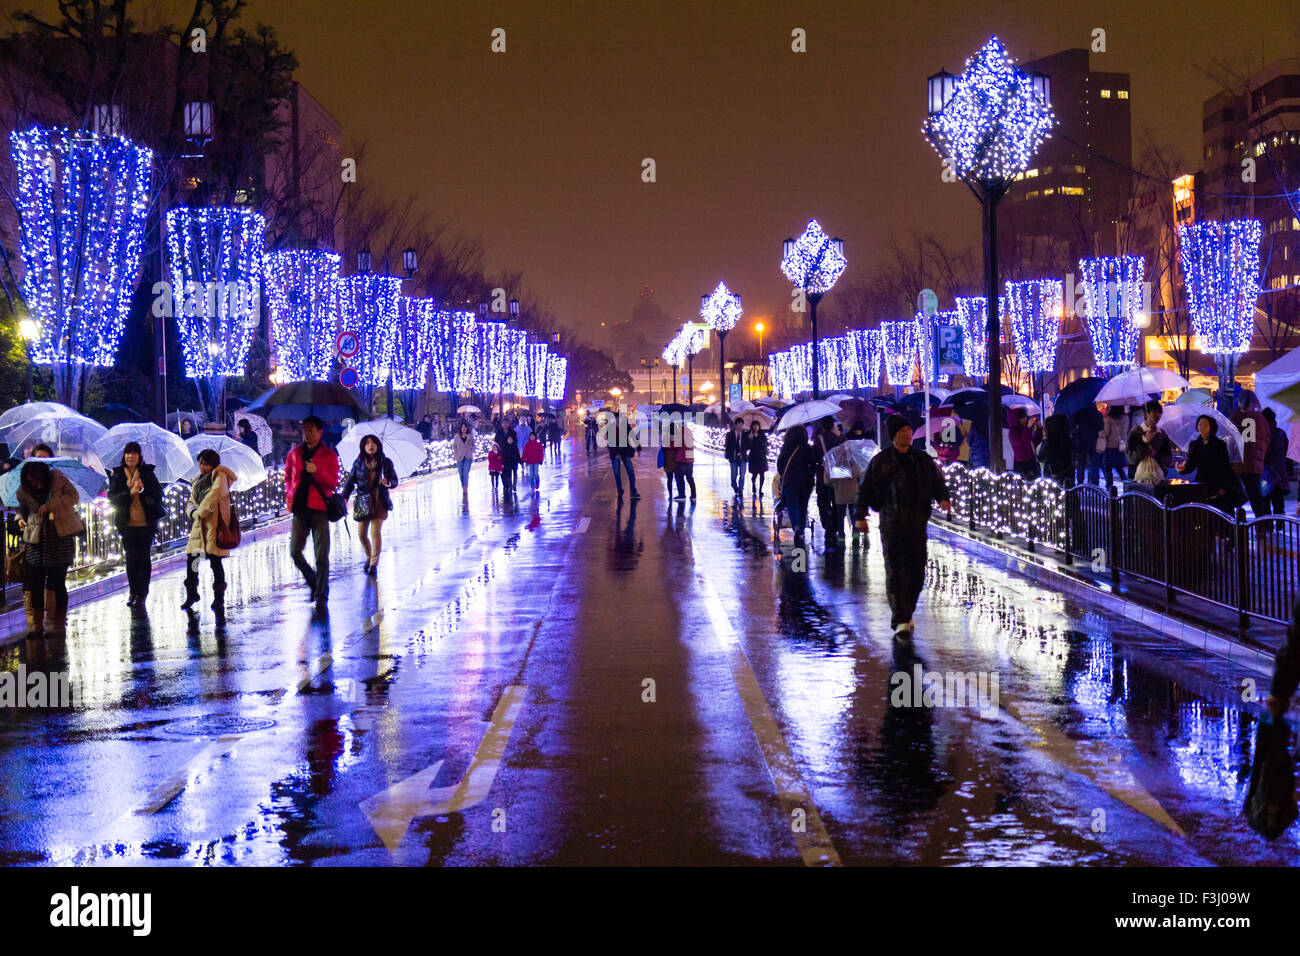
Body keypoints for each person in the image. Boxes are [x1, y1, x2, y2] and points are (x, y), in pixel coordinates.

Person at [855, 416, 952, 637]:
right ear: (893, 436)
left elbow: (937, 482)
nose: (907, 434)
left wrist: (943, 498)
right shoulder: (881, 461)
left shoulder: (922, 460)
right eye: (902, 431)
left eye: (909, 430)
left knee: (917, 574)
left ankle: (906, 613)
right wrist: (859, 516)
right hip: (891, 526)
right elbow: (865, 488)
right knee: (896, 572)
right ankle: (900, 619)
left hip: (917, 526)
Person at [16, 460, 83, 642]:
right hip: (35, 540)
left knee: (55, 583)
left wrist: (51, 504)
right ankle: (34, 625)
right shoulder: (25, 490)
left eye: (36, 481)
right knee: (33, 584)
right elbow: (21, 507)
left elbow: (73, 497)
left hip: (59, 539)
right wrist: (20, 517)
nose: (34, 484)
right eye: (30, 481)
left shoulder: (58, 480)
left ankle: (55, 623)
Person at [284, 415, 339, 608]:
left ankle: (322, 595)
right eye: (304, 429)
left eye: (310, 429)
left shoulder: (329, 455)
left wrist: (316, 470)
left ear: (319, 431)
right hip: (299, 509)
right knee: (295, 552)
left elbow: (333, 483)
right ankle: (314, 582)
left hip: (319, 510)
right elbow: (287, 478)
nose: (306, 433)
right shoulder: (294, 454)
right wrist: (289, 496)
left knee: (321, 555)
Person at [108, 441, 165, 608]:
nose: (130, 456)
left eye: (134, 453)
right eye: (127, 453)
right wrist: (130, 493)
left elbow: (158, 495)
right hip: (127, 524)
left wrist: (143, 490)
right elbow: (113, 498)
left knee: (143, 559)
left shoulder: (147, 473)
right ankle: (133, 591)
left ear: (139, 456)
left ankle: (142, 593)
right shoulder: (117, 474)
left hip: (146, 523)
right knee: (131, 560)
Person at [182, 449, 236, 622]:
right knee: (192, 560)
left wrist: (200, 511)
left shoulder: (220, 477)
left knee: (215, 562)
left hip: (214, 526)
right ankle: (192, 594)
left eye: (206, 463)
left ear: (213, 464)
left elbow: (214, 496)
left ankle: (218, 599)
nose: (202, 467)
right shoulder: (197, 480)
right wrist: (193, 513)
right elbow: (191, 501)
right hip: (199, 526)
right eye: (200, 463)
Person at [342, 435, 398, 576]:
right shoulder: (358, 463)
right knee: (361, 534)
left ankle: (374, 564)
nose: (370, 445)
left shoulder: (385, 463)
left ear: (378, 445)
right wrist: (344, 496)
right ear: (363, 447)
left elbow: (394, 480)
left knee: (375, 532)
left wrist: (388, 482)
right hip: (364, 501)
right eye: (367, 443)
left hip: (380, 501)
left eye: (373, 443)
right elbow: (350, 482)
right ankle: (368, 556)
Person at [1177, 414, 1235, 513]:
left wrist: (1224, 486)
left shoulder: (1220, 444)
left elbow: (1225, 467)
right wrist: (1182, 469)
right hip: (1201, 482)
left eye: (1205, 425)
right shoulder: (1194, 444)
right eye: (1200, 424)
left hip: (1217, 482)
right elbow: (1191, 464)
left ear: (1211, 427)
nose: (1202, 427)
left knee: (1218, 512)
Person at [1231, 390, 1272, 517]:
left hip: (1239, 462)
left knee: (1235, 492)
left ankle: (1234, 521)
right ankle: (1262, 523)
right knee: (1255, 494)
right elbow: (1267, 438)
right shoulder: (1260, 418)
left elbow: (1230, 437)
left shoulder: (1236, 417)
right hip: (1255, 464)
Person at [775, 425, 816, 548]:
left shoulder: (785, 448)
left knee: (792, 506)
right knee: (803, 506)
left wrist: (784, 475)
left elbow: (780, 465)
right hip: (805, 483)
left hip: (790, 482)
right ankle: (802, 531)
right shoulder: (808, 449)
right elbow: (813, 464)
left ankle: (796, 528)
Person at [812, 417, 845, 548]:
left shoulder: (818, 439)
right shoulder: (839, 438)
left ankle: (827, 525)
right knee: (837, 501)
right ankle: (836, 526)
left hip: (822, 474)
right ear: (832, 426)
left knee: (823, 501)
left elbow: (813, 458)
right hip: (837, 474)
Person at [1126, 400, 1173, 485]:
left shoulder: (1162, 434)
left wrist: (1159, 459)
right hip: (1138, 479)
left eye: (1159, 412)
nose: (1157, 415)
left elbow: (1167, 455)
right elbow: (1131, 458)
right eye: (1154, 412)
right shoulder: (1135, 433)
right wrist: (1145, 443)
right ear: (1145, 414)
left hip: (1158, 478)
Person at [605, 411, 640, 499]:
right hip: (615, 453)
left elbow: (633, 436)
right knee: (617, 473)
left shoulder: (626, 427)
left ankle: (633, 490)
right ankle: (620, 489)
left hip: (625, 452)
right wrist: (616, 453)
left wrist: (638, 448)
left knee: (631, 472)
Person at [1262, 407, 1291, 515]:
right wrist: (1289, 471)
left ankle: (1267, 527)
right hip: (1279, 473)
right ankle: (1280, 525)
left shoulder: (1260, 435)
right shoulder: (1281, 433)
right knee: (1278, 503)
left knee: (1265, 502)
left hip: (1264, 473)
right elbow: (1287, 454)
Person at [1070, 403, 1105, 485]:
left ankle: (1080, 481)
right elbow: (1101, 427)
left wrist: (1076, 433)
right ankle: (1095, 482)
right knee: (1094, 463)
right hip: (1094, 441)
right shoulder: (1097, 414)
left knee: (1081, 463)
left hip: (1081, 441)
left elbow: (1072, 426)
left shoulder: (1079, 413)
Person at [1038, 413, 1073, 485]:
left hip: (1054, 479)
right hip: (1068, 476)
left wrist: (1045, 440)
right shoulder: (1068, 439)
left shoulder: (1050, 442)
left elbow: (1041, 457)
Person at [1009, 407, 1043, 479]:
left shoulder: (1025, 430)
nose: (1025, 419)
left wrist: (1039, 430)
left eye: (1025, 417)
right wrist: (1027, 428)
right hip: (1021, 464)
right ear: (1015, 419)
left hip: (1032, 462)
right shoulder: (1013, 432)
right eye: (1021, 418)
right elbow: (1021, 443)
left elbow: (1034, 442)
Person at [1101, 405, 1127, 487]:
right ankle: (1126, 483)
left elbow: (1106, 432)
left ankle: (1109, 485)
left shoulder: (1109, 419)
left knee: (1108, 467)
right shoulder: (1126, 418)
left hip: (1110, 446)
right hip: (1121, 446)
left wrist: (1101, 433)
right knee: (1119, 467)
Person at [724, 418, 749, 495]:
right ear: (735, 425)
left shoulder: (745, 434)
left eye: (742, 424)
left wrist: (750, 439)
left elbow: (748, 446)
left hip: (742, 457)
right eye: (739, 424)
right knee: (734, 474)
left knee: (742, 474)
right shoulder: (730, 434)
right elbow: (727, 445)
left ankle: (741, 489)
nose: (741, 426)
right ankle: (734, 486)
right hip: (733, 456)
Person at [673, 422, 696, 501]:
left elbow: (676, 445)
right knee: (690, 478)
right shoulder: (689, 431)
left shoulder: (679, 433)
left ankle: (682, 495)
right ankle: (693, 495)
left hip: (681, 458)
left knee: (679, 478)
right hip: (690, 458)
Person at [453, 421, 475, 499]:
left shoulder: (470, 436)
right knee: (461, 474)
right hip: (459, 457)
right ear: (460, 428)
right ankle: (463, 486)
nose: (464, 428)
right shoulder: (457, 436)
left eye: (465, 427)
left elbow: (473, 445)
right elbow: (454, 446)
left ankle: (465, 489)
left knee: (465, 473)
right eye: (462, 427)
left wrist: (471, 451)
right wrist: (456, 454)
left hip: (468, 457)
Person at [747, 420, 769, 497]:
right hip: (753, 457)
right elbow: (748, 446)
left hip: (761, 456)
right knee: (754, 474)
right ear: (752, 426)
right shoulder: (749, 434)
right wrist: (750, 439)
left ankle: (760, 489)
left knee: (762, 474)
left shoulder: (762, 434)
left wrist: (757, 438)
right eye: (754, 425)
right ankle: (753, 484)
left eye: (757, 425)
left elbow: (765, 444)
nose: (756, 427)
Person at [501, 430, 521, 498]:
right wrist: (503, 463)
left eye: (511, 439)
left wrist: (520, 461)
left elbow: (518, 455)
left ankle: (514, 485)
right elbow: (503, 456)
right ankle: (510, 486)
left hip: (514, 463)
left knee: (515, 474)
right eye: (509, 439)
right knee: (509, 475)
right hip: (508, 463)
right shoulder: (505, 447)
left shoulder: (515, 446)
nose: (510, 440)